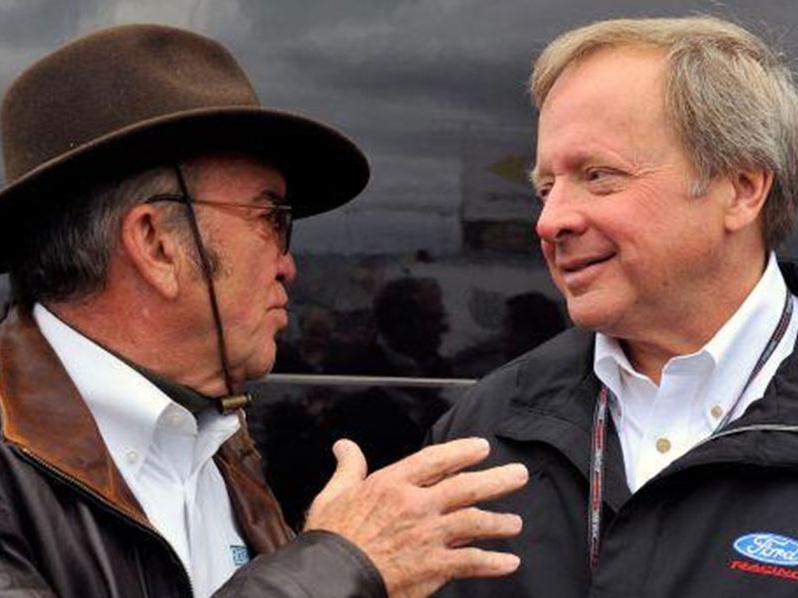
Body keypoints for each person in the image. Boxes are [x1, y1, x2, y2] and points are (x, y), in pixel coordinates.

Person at [0, 25, 529, 598]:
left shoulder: (214, 436)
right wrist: (343, 566)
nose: (288, 265)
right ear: (157, 244)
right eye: (270, 218)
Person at [431, 15, 798, 598]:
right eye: (546, 188)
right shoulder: (486, 428)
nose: (550, 222)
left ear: (742, 187)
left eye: (598, 176)